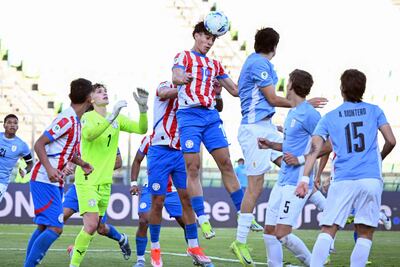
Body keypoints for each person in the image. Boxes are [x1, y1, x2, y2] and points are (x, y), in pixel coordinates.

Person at [231, 27, 327, 265]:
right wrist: (301, 104)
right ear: (275, 46)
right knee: (256, 184)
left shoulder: (255, 63)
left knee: (292, 163)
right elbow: (272, 98)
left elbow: (237, 91)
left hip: (265, 127)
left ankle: (330, 209)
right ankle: (240, 241)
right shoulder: (259, 64)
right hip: (254, 128)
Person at [295, 69, 396, 266]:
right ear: (363, 89)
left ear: (342, 89)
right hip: (370, 178)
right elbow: (391, 141)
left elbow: (314, 149)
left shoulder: (330, 117)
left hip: (343, 180)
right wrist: (379, 159)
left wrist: (304, 179)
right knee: (365, 232)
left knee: (329, 229)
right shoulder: (375, 110)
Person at [172, 21, 263, 239]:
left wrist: (255, 80)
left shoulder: (215, 65)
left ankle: (243, 212)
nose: (209, 42)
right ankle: (202, 218)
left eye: (212, 39)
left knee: (226, 163)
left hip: (211, 117)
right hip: (189, 116)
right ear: (196, 35)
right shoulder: (183, 56)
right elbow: (176, 76)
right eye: (206, 37)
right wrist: (182, 78)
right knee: (193, 167)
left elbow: (235, 90)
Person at [69, 83, 148, 267]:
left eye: (105, 91)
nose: (104, 93)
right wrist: (112, 115)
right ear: (91, 99)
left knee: (97, 227)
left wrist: (143, 109)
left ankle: (120, 238)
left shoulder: (117, 120)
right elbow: (89, 135)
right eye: (99, 91)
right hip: (87, 181)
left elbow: (141, 129)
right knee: (90, 226)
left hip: (105, 184)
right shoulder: (88, 117)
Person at [255, 69, 326, 266]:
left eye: (288, 82)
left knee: (282, 233)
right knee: (269, 231)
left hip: (296, 183)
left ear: (292, 85)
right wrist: (271, 145)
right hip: (282, 180)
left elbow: (327, 145)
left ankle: (315, 264)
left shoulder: (310, 115)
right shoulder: (292, 112)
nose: (285, 85)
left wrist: (301, 160)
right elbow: (289, 147)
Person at [140, 81, 213, 267]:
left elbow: (213, 106)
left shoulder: (192, 96)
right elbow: (164, 93)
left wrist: (215, 92)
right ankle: (155, 249)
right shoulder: (167, 85)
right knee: (157, 202)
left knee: (186, 200)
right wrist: (188, 87)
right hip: (159, 150)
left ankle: (194, 247)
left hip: (180, 152)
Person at [24, 78, 94, 267]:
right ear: (89, 98)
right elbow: (39, 144)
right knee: (56, 227)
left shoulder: (77, 121)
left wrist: (82, 163)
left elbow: (68, 152)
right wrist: (49, 169)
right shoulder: (67, 119)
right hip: (44, 178)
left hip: (54, 182)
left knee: (44, 226)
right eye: (94, 93)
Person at [63, 150, 131, 260]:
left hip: (97, 187)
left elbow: (118, 162)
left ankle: (121, 239)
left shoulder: (109, 137)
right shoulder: (84, 136)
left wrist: (98, 169)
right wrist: (70, 166)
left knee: (100, 228)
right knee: (60, 217)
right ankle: (36, 256)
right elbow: (74, 154)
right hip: (80, 186)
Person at [130, 135, 187, 267]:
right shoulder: (148, 140)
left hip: (172, 190)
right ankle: (140, 260)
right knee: (143, 220)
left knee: (187, 223)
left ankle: (195, 252)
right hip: (151, 188)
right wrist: (133, 183)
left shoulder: (180, 139)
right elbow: (137, 160)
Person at [0, 114, 33, 203]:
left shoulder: (22, 145)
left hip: (1, 182)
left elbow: (30, 163)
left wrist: (25, 171)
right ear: (4, 125)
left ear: (17, 126)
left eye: (15, 123)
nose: (12, 125)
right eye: (9, 122)